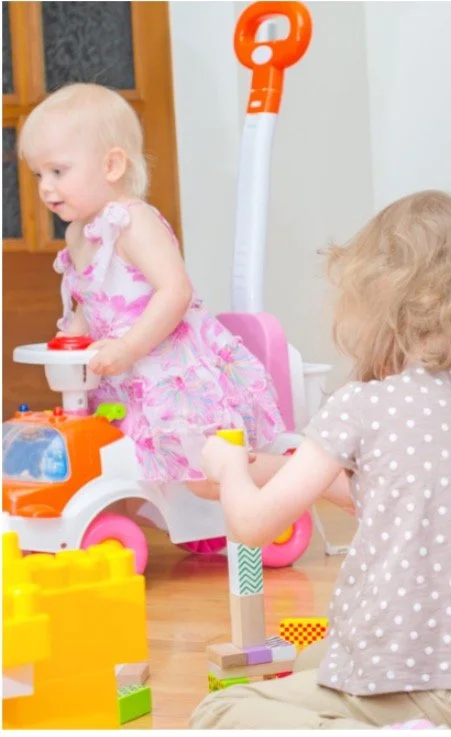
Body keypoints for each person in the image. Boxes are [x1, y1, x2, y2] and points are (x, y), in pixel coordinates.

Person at [189, 190, 451, 730]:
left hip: (430, 693)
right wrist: (276, 470)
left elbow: (251, 525)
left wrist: (228, 469)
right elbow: (404, 499)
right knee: (313, 659)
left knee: (221, 710)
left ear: (379, 305)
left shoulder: (362, 405)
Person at [17, 83, 283, 481]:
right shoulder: (77, 234)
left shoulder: (133, 221)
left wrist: (128, 347)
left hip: (169, 369)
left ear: (111, 166)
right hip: (125, 375)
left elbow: (175, 291)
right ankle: (187, 518)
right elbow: (95, 302)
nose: (46, 186)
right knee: (120, 452)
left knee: (202, 460)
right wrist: (75, 335)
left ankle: (293, 478)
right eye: (39, 174)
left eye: (58, 171)